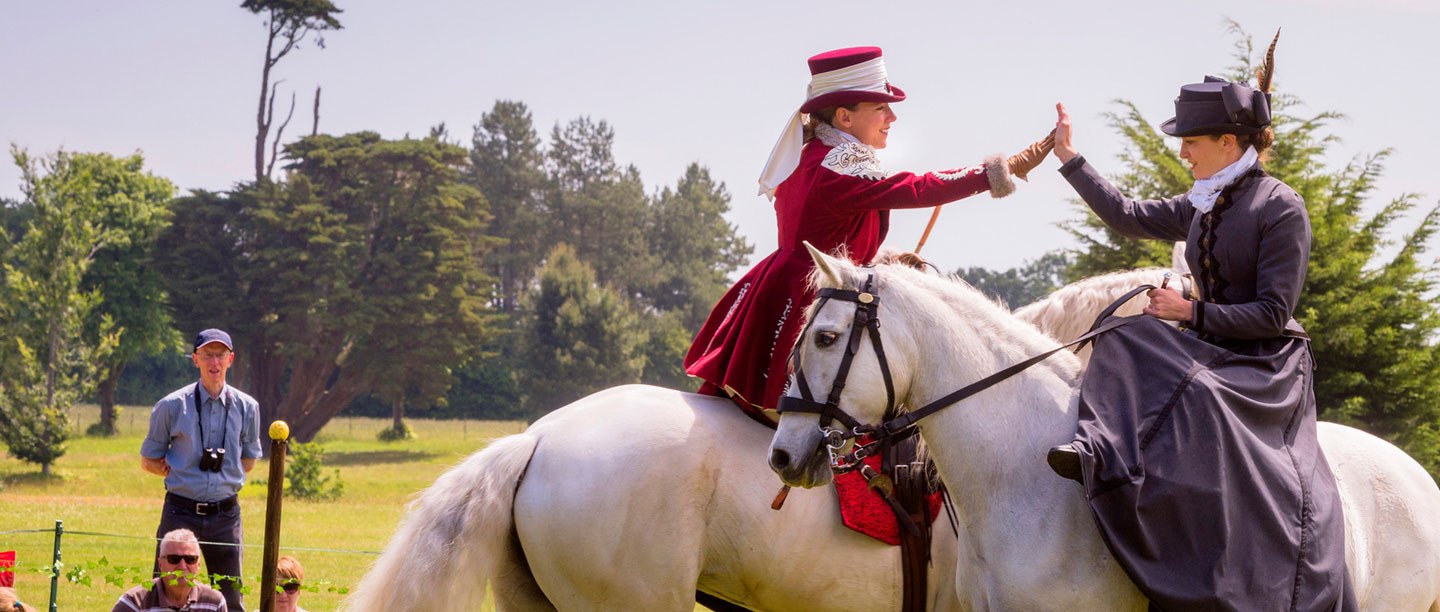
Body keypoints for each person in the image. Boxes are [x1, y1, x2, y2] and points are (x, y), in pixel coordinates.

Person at [1044, 39, 1358, 612]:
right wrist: (1070, 159)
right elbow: (1127, 214)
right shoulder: (1204, 201)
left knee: (1200, 396)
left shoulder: (1281, 208)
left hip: (1265, 361)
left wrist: (1191, 312)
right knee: (1120, 331)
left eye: (1190, 142)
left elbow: (1271, 313)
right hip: (1211, 347)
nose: (1184, 153)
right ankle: (1100, 450)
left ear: (1227, 142)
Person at [685, 46, 1053, 421]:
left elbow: (836, 234)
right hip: (813, 295)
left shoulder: (814, 156)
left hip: (790, 284)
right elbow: (917, 188)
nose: (892, 117)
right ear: (844, 117)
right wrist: (1007, 167)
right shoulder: (837, 166)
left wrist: (880, 261)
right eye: (880, 108)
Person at [141, 328, 261, 611]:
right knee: (166, 593)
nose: (214, 363)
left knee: (231, 597)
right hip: (179, 510)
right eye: (207, 355)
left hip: (226, 515)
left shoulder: (248, 407)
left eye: (220, 355)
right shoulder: (170, 406)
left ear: (231, 359)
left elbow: (249, 461)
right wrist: (181, 476)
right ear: (195, 359)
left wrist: (221, 481)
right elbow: (148, 460)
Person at [111, 529, 228, 612]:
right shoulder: (134, 603)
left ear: (198, 564)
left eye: (190, 559)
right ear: (160, 564)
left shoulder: (214, 603)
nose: (182, 567)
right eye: (174, 559)